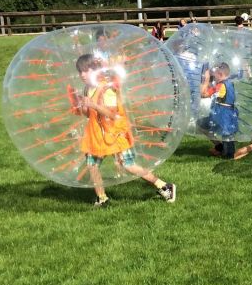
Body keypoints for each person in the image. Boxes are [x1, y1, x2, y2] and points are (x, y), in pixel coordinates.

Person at [72, 54, 177, 206]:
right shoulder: (87, 89)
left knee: (128, 165)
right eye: (79, 71)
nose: (82, 75)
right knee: (92, 165)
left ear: (95, 71)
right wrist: (81, 106)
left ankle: (164, 186)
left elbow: (113, 115)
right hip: (97, 136)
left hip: (114, 134)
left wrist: (94, 106)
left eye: (85, 71)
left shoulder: (105, 89)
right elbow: (89, 114)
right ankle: (102, 198)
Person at [198, 62, 252, 160]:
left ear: (220, 74)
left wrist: (205, 78)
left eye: (213, 75)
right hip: (218, 117)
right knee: (201, 124)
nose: (212, 77)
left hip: (225, 121)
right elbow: (241, 75)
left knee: (230, 156)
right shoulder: (228, 80)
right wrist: (246, 68)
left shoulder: (220, 86)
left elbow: (204, 94)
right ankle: (220, 147)